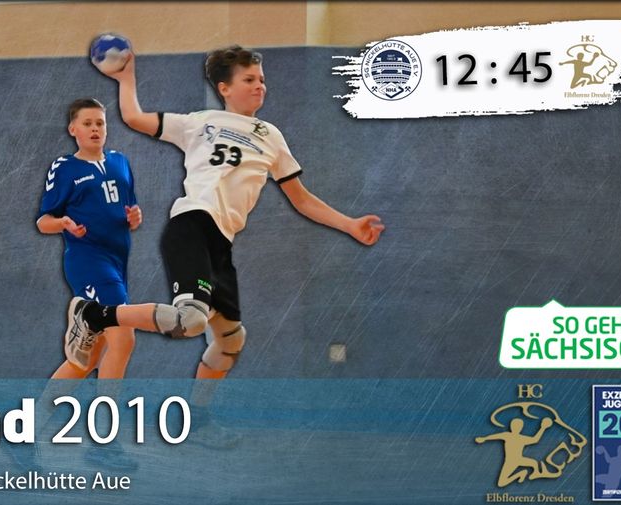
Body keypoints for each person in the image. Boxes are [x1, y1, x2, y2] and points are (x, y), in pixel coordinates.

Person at [63, 43, 384, 380]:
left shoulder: (271, 136)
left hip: (221, 240)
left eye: (261, 79)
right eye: (249, 80)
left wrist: (349, 224)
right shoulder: (199, 122)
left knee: (230, 341)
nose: (259, 86)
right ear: (224, 88)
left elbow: (301, 199)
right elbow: (133, 117)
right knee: (189, 320)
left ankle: (200, 411)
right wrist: (126, 78)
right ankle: (93, 315)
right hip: (192, 224)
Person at [36, 98, 142, 378]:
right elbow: (43, 222)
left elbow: (129, 211)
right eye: (87, 123)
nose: (95, 129)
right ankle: (108, 408)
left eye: (100, 123)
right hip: (89, 262)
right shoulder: (65, 168)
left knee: (90, 355)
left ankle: (42, 407)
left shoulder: (120, 162)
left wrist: (134, 217)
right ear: (73, 129)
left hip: (118, 262)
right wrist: (63, 223)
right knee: (124, 338)